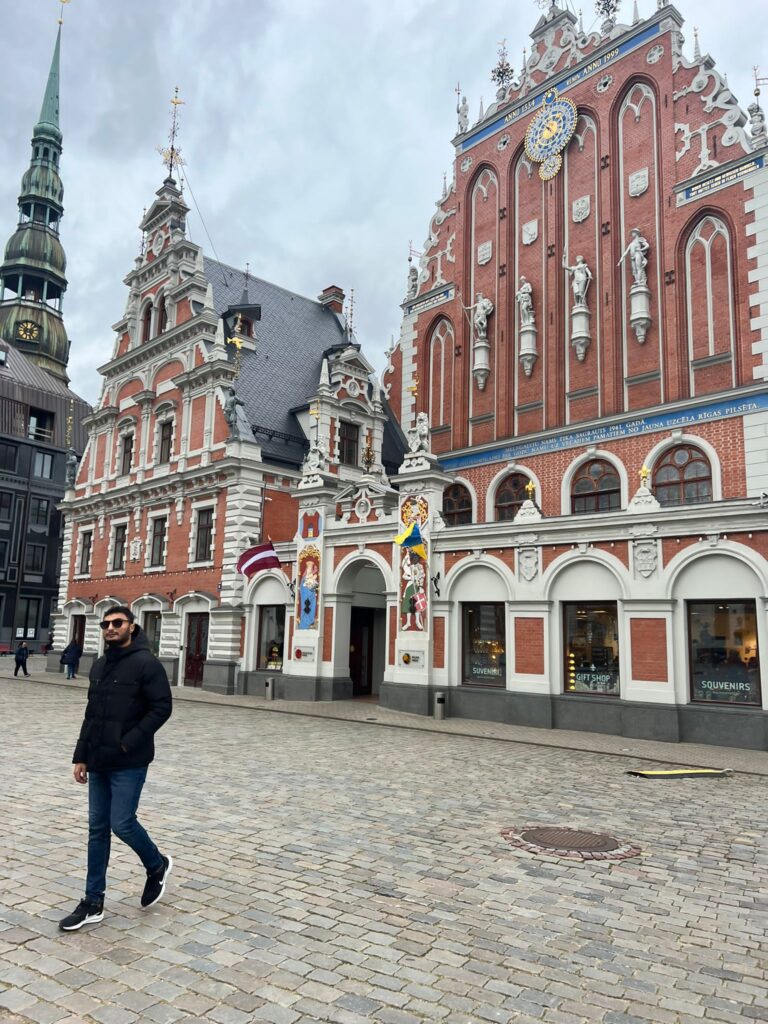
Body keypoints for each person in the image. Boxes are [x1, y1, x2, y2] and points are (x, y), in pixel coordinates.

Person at [58, 607, 173, 932]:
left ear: (131, 627)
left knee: (121, 823)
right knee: (97, 829)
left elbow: (162, 707)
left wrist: (129, 741)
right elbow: (91, 715)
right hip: (98, 759)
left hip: (129, 760)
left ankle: (157, 864)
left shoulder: (147, 663)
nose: (110, 628)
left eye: (117, 623)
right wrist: (80, 756)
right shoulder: (100, 664)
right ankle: (93, 901)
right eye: (105, 624)